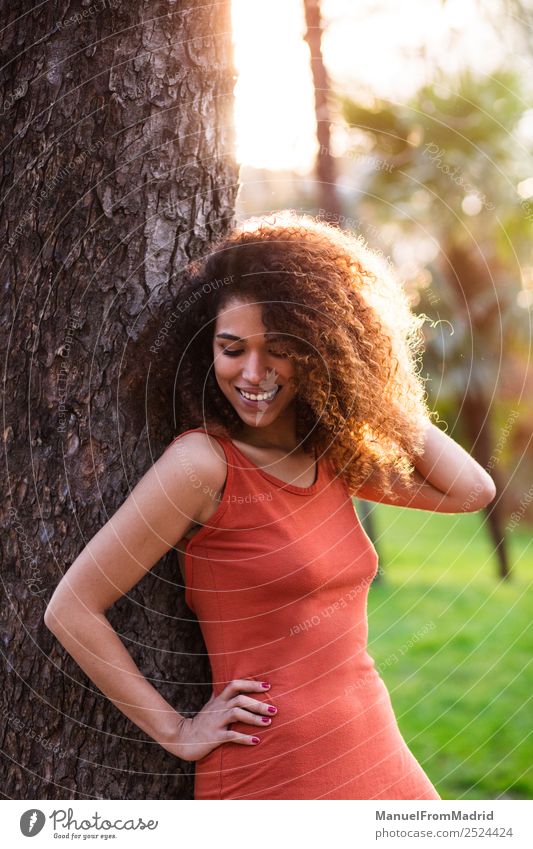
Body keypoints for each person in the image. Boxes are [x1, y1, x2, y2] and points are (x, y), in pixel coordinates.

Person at [44, 211, 496, 800]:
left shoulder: (329, 456)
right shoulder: (203, 467)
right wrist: (178, 730)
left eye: (280, 350)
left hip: (375, 750)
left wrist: (372, 385)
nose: (253, 373)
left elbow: (471, 490)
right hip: (271, 774)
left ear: (321, 351)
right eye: (232, 349)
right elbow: (72, 608)